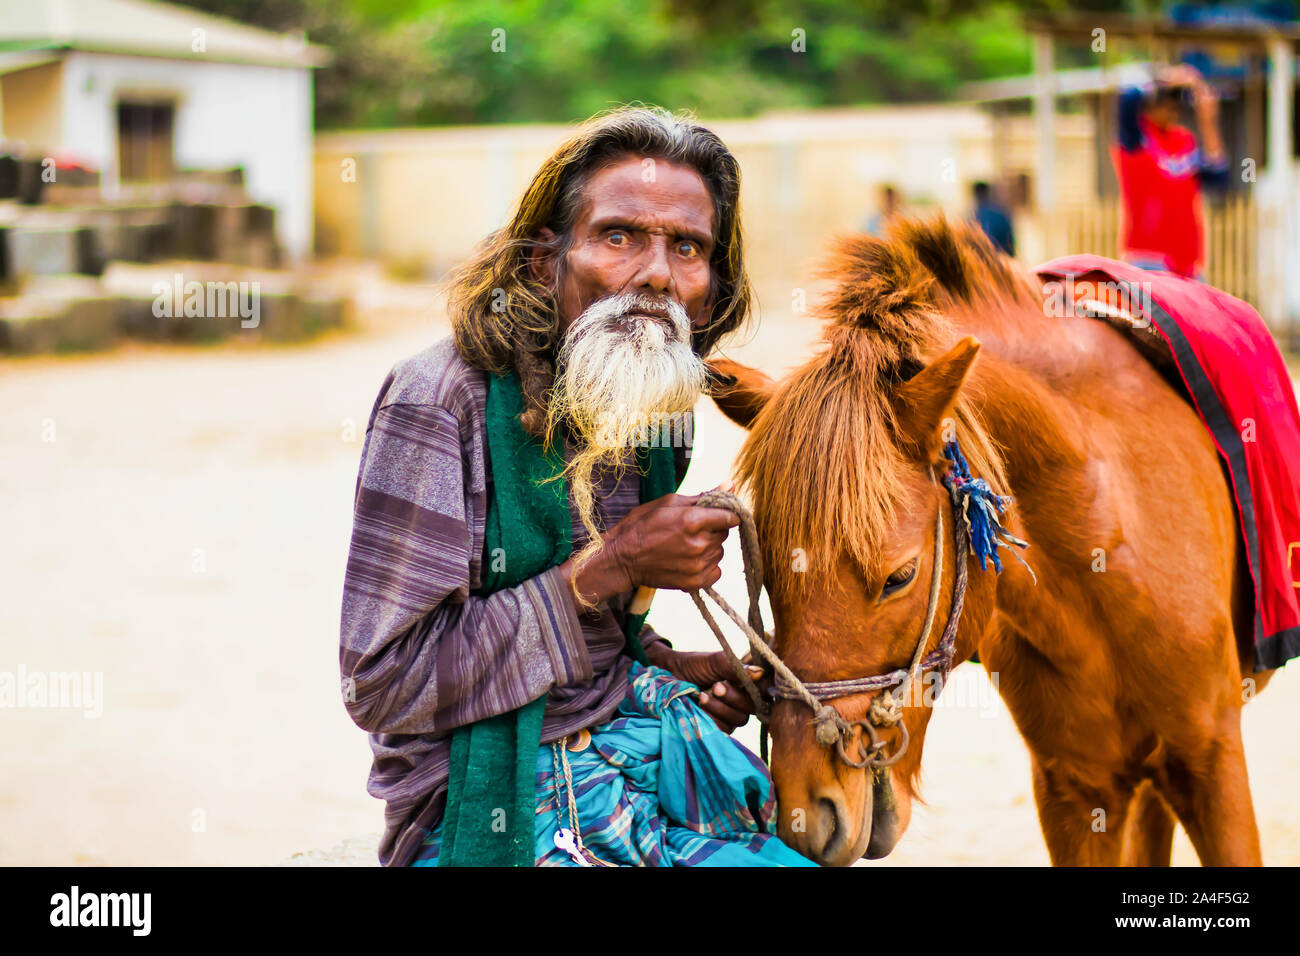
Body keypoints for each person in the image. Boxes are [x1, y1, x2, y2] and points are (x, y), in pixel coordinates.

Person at [338, 107, 815, 868]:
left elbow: (593, 638)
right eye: (619, 235)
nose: (657, 272)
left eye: (687, 247)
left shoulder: (654, 405)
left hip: (631, 733)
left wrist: (664, 663)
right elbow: (385, 687)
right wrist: (617, 563)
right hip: (486, 792)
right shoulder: (438, 402)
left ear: (712, 285)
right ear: (544, 261)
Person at [1113, 63, 1230, 278]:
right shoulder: (1136, 139)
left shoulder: (1184, 141)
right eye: (1167, 98)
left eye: (1177, 99)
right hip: (1147, 262)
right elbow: (1127, 100)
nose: (1173, 105)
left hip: (1187, 266)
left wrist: (1208, 119)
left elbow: (1219, 177)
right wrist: (1165, 78)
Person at [971, 181, 1015, 256]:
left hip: (988, 259)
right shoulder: (1000, 215)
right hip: (998, 259)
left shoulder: (973, 216)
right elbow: (1010, 245)